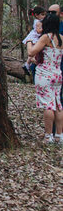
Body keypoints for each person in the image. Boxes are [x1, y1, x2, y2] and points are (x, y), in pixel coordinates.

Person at [28, 13, 63, 143]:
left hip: (44, 75)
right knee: (58, 104)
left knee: (48, 105)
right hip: (57, 74)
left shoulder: (45, 38)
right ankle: (59, 136)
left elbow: (31, 52)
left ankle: (48, 136)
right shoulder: (61, 38)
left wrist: (29, 42)